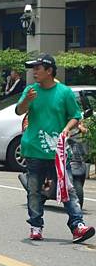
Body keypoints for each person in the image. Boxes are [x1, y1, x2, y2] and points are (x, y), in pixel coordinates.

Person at [15, 54, 94, 243]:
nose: (34, 72)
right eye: (33, 68)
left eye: (38, 68)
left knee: (68, 188)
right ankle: (36, 225)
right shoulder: (31, 90)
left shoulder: (64, 93)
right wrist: (27, 101)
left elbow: (75, 115)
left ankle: (77, 226)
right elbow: (19, 111)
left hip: (58, 152)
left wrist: (66, 129)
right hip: (34, 149)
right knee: (34, 190)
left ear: (49, 71)